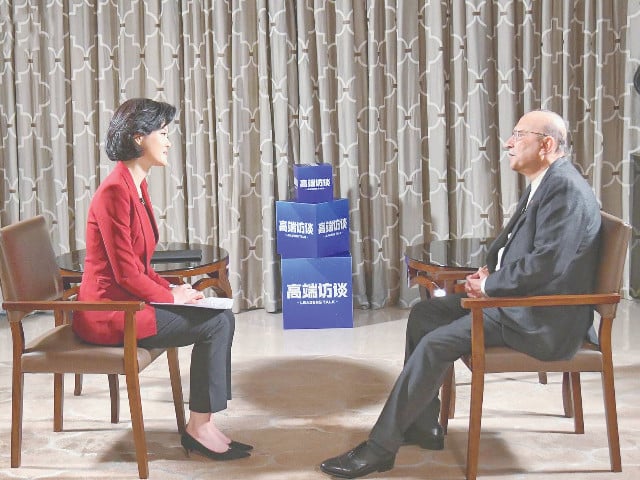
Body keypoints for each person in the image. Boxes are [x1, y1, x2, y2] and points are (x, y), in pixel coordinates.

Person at [320, 110, 602, 478]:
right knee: (425, 315)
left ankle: (379, 449)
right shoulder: (547, 181)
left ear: (546, 144)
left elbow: (547, 266)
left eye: (519, 135)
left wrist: (488, 287)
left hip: (541, 319)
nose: (508, 143)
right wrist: (491, 273)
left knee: (437, 342)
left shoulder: (564, 188)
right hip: (522, 303)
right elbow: (528, 250)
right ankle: (423, 425)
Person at [72, 98, 251, 461]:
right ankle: (199, 427)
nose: (168, 142)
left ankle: (204, 423)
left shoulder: (135, 187)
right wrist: (173, 299)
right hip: (108, 313)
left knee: (218, 318)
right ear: (139, 138)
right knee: (217, 323)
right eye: (164, 134)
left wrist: (172, 288)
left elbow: (139, 264)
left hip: (127, 302)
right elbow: (124, 273)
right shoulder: (113, 193)